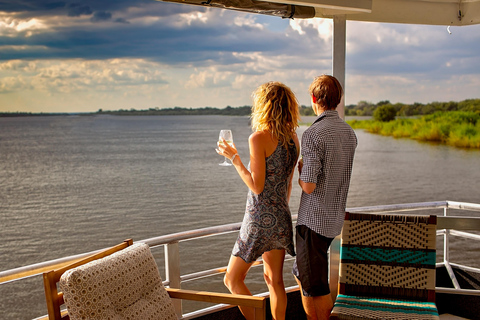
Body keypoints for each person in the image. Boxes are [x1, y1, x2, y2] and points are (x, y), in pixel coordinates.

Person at [216, 81, 300, 320]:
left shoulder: (258, 138)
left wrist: (234, 159)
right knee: (274, 281)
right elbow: (289, 183)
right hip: (281, 217)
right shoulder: (294, 138)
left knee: (231, 279)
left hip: (256, 220)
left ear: (264, 106)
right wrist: (278, 210)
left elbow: (257, 186)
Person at [292, 75, 357, 320]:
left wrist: (300, 175)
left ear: (313, 99)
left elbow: (308, 186)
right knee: (302, 272)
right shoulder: (349, 133)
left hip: (313, 222)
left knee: (313, 287)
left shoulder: (313, 134)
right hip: (333, 220)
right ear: (338, 100)